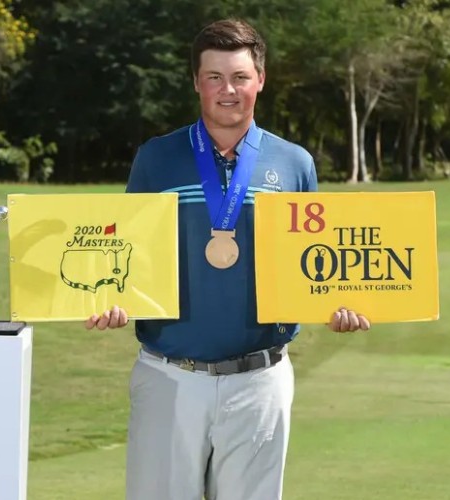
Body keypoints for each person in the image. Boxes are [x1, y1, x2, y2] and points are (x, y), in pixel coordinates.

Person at [85, 18, 370, 500]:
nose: (228, 90)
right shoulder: (156, 158)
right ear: (196, 82)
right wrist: (112, 301)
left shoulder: (294, 163)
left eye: (240, 77)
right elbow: (128, 255)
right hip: (168, 376)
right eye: (214, 77)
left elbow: (315, 265)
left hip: (260, 381)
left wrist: (337, 304)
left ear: (261, 79)